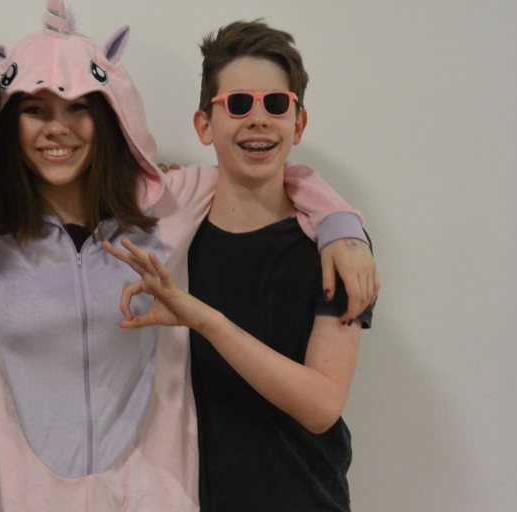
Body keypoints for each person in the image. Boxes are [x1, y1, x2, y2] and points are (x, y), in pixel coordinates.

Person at [0, 2, 378, 510]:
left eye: (78, 107)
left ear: (108, 117)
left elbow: (270, 171)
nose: (57, 128)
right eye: (34, 110)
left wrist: (342, 227)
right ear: (10, 122)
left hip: (155, 496)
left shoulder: (168, 202)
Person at [105, 20, 373, 511]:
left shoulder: (334, 249)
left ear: (299, 124)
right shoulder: (175, 232)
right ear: (204, 125)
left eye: (276, 104)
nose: (258, 119)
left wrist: (207, 321)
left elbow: (322, 405)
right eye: (239, 104)